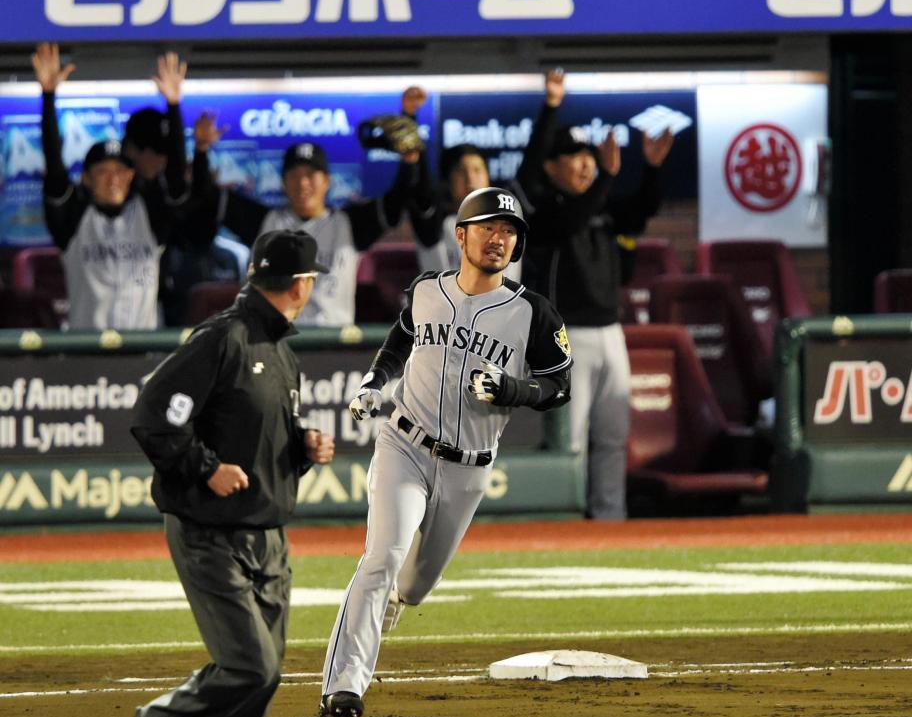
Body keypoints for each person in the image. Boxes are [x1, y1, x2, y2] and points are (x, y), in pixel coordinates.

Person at [319, 186, 572, 717]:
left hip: (468, 468)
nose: (499, 238)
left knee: (413, 585)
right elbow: (399, 341)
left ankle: (396, 599)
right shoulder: (426, 289)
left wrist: (513, 390)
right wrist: (375, 381)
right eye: (488, 228)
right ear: (461, 235)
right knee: (381, 557)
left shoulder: (533, 312)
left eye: (509, 231)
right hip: (404, 446)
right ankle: (343, 687)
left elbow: (559, 387)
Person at [130, 229, 336, 717]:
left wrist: (302, 448)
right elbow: (153, 416)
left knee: (261, 677)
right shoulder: (223, 338)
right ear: (301, 284)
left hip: (267, 536)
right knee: (251, 667)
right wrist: (204, 469)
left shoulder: (281, 351)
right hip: (209, 532)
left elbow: (258, 435)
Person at [516, 69, 674, 521]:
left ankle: (610, 520)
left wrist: (652, 169)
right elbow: (569, 219)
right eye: (573, 157)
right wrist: (551, 107)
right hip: (565, 338)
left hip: (610, 332)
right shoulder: (542, 208)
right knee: (569, 440)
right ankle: (564, 522)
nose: (585, 164)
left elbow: (641, 211)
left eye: (588, 156)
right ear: (552, 167)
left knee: (612, 436)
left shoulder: (602, 204)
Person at [193, 87, 431, 327]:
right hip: (272, 341)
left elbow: (397, 200)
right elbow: (207, 197)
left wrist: (409, 147)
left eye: (310, 174)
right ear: (283, 182)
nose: (303, 183)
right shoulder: (263, 221)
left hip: (332, 343)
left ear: (326, 181)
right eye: (294, 175)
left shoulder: (348, 224)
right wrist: (201, 151)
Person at [31, 43, 202, 330]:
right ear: (86, 178)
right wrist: (48, 96)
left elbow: (175, 178)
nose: (113, 179)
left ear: (131, 176)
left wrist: (174, 106)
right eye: (102, 172)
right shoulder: (72, 219)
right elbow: (55, 168)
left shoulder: (149, 215)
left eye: (120, 172)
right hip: (86, 350)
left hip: (143, 348)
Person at [408, 143, 522, 282]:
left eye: (477, 170)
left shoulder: (511, 219)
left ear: (488, 178)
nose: (470, 178)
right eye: (461, 171)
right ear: (447, 181)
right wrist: (417, 155)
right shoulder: (435, 226)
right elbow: (422, 196)